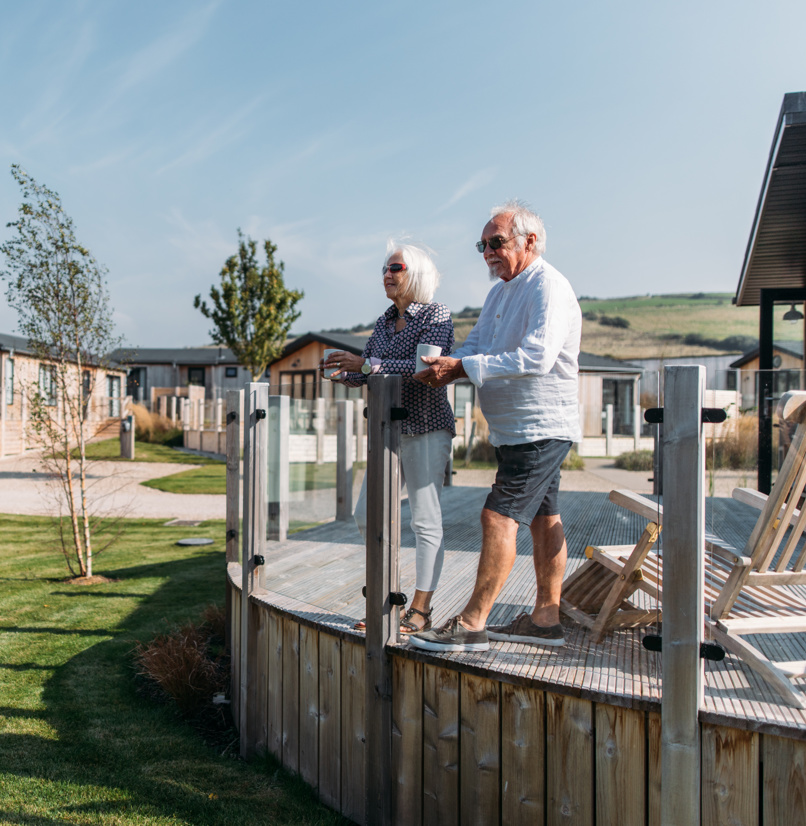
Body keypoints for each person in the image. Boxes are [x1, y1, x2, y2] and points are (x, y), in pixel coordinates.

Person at [408, 200, 581, 653]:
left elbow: (537, 357)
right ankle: (545, 621)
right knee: (544, 518)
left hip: (540, 426)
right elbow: (478, 345)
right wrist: (447, 366)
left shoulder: (547, 286)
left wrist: (463, 366)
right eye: (481, 245)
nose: (487, 252)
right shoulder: (501, 292)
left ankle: (471, 624)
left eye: (496, 242)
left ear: (530, 241)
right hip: (515, 428)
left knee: (497, 515)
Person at [321, 241, 455, 635]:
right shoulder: (382, 322)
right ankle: (386, 599)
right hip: (387, 430)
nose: (386, 274)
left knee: (425, 519)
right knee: (368, 515)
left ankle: (420, 609)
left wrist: (365, 365)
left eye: (395, 267)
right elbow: (370, 371)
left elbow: (424, 368)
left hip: (426, 426)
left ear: (417, 272)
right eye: (384, 268)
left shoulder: (435, 314)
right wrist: (344, 372)